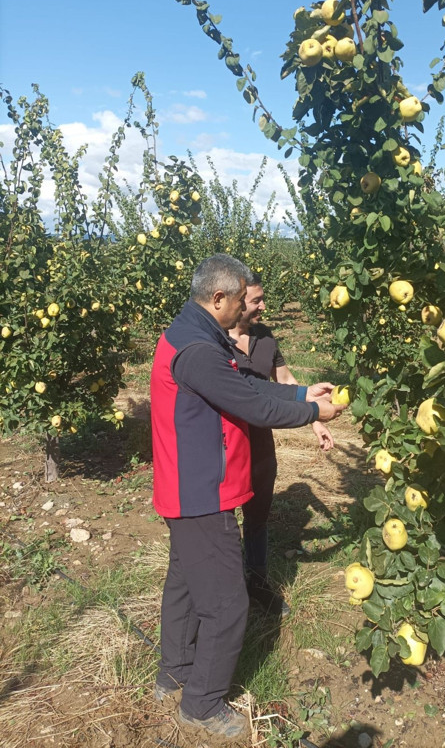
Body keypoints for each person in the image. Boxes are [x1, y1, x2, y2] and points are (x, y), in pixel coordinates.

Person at [150, 254, 345, 740]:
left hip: (189, 486)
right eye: (241, 300)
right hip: (201, 492)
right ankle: (201, 704)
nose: (246, 309)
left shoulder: (197, 334)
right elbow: (251, 404)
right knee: (226, 603)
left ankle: (173, 674)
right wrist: (314, 412)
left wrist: (301, 395)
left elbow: (247, 383)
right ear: (218, 298)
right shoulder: (195, 348)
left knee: (185, 583)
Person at [228, 273, 334, 617]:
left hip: (260, 446)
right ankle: (228, 591)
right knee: (224, 522)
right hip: (227, 449)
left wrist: (315, 420)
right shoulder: (214, 343)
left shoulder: (265, 337)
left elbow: (285, 381)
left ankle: (257, 583)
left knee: (257, 518)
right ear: (236, 300)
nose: (263, 306)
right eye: (256, 300)